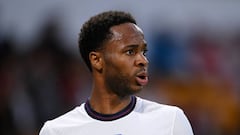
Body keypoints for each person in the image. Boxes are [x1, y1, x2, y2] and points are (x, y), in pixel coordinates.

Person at [39, 10, 194, 135]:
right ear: (97, 60)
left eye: (143, 52)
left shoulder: (171, 121)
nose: (143, 60)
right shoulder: (56, 131)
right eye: (130, 52)